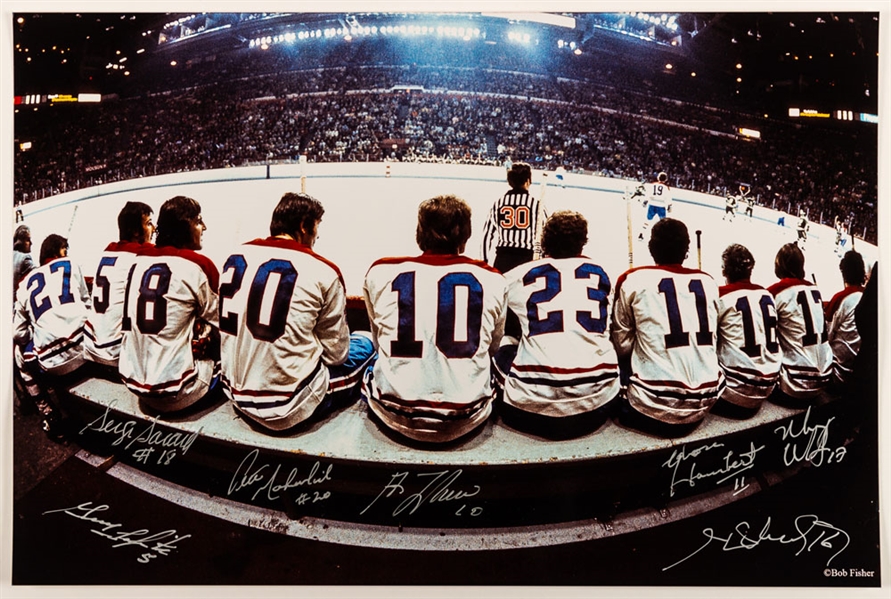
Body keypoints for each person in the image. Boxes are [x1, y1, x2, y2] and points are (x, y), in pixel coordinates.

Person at [219, 192, 376, 431]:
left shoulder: (234, 258)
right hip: (290, 404)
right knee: (366, 342)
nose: (317, 235)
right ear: (303, 226)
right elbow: (337, 355)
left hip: (236, 393)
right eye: (316, 228)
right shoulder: (324, 270)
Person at [363, 195, 507, 443]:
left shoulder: (380, 271)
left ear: (420, 232)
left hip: (393, 411)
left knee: (363, 347)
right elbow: (493, 348)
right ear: (465, 236)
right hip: (467, 414)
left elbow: (378, 344)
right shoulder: (493, 279)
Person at [493, 211, 620, 438]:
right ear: (583, 243)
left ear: (544, 243)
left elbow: (491, 300)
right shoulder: (601, 274)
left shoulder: (518, 274)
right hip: (598, 401)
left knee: (507, 340)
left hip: (531, 405)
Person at [611, 218, 722, 437]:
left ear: (651, 247)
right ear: (686, 250)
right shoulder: (709, 282)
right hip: (705, 402)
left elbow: (621, 346)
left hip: (650, 406)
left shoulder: (632, 279)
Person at [118, 196, 220, 413]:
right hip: (179, 391)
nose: (205, 227)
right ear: (185, 226)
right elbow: (225, 325)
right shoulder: (199, 265)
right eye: (198, 221)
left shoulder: (137, 260)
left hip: (134, 383)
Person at [13, 234, 91, 436]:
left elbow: (18, 333)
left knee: (19, 355)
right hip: (85, 351)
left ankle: (49, 414)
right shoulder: (71, 265)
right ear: (58, 252)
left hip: (54, 364)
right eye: (65, 250)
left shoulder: (25, 285)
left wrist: (38, 330)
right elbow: (88, 305)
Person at [83, 201, 155, 370]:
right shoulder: (141, 255)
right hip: (116, 351)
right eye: (149, 223)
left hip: (92, 345)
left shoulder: (108, 251)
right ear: (136, 231)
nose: (154, 228)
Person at [711, 244, 782, 418]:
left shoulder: (720, 296)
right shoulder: (767, 295)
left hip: (733, 394)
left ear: (723, 271)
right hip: (767, 388)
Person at [766, 243, 832, 403]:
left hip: (793, 384)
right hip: (824, 378)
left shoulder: (775, 292)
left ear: (779, 265)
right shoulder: (815, 290)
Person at [481, 161, 548, 272]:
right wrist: (544, 257)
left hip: (503, 260)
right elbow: (546, 234)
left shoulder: (498, 203)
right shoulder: (537, 205)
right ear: (527, 181)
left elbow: (486, 235)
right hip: (527, 260)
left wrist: (484, 261)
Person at [824, 250, 866, 389]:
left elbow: (826, 338)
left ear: (844, 273)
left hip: (836, 375)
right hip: (859, 373)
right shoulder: (868, 296)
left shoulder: (841, 298)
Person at [638, 171, 672, 241]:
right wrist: (669, 206)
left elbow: (648, 194)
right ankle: (663, 238)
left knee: (647, 220)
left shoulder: (653, 185)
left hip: (652, 204)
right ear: (665, 180)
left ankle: (641, 234)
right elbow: (668, 198)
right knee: (663, 222)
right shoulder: (666, 188)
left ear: (658, 178)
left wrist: (645, 201)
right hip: (661, 205)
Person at [13, 224, 35, 304]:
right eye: (28, 240)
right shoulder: (24, 258)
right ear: (20, 241)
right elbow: (39, 273)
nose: (31, 243)